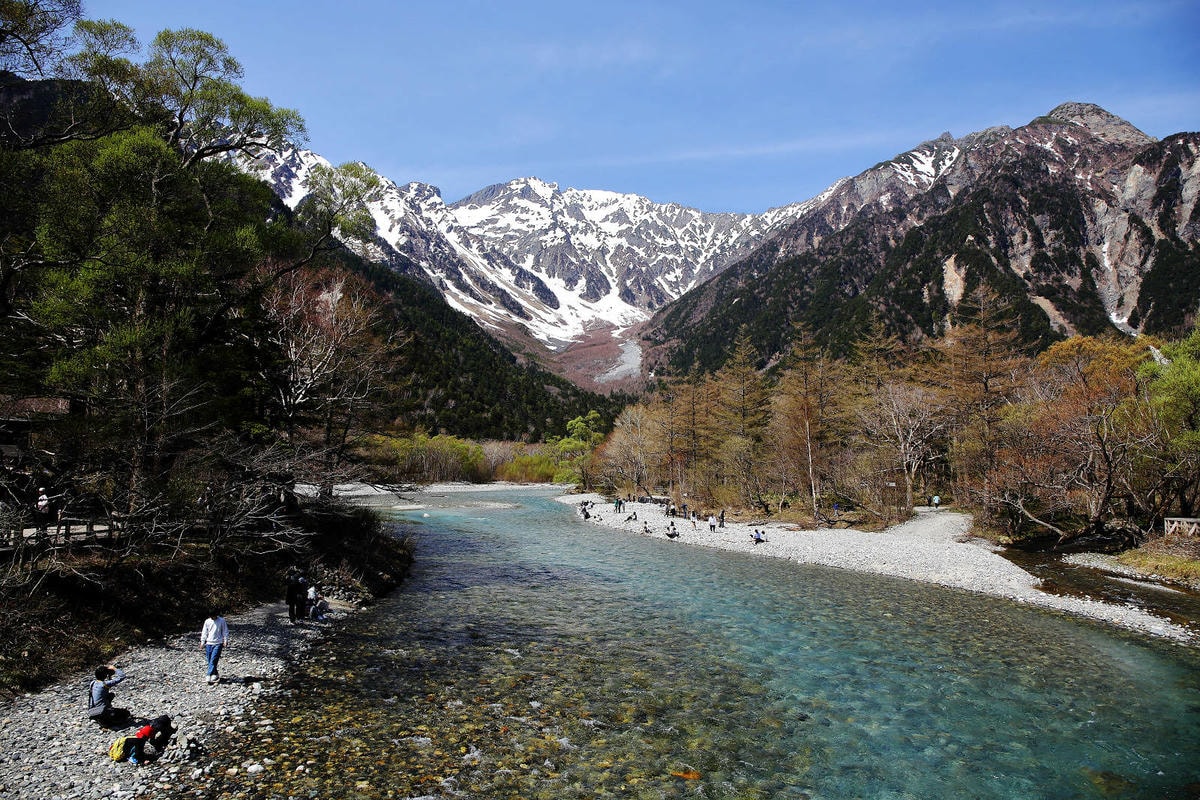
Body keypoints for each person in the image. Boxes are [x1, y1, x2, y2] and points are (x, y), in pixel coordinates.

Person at [200, 610, 229, 685]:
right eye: (211, 616)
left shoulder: (222, 621)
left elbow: (225, 631)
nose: (212, 618)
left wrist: (225, 640)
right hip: (209, 643)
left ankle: (208, 674)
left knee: (213, 659)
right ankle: (215, 674)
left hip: (218, 643)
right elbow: (204, 632)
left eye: (213, 616)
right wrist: (202, 642)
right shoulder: (207, 621)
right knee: (210, 660)